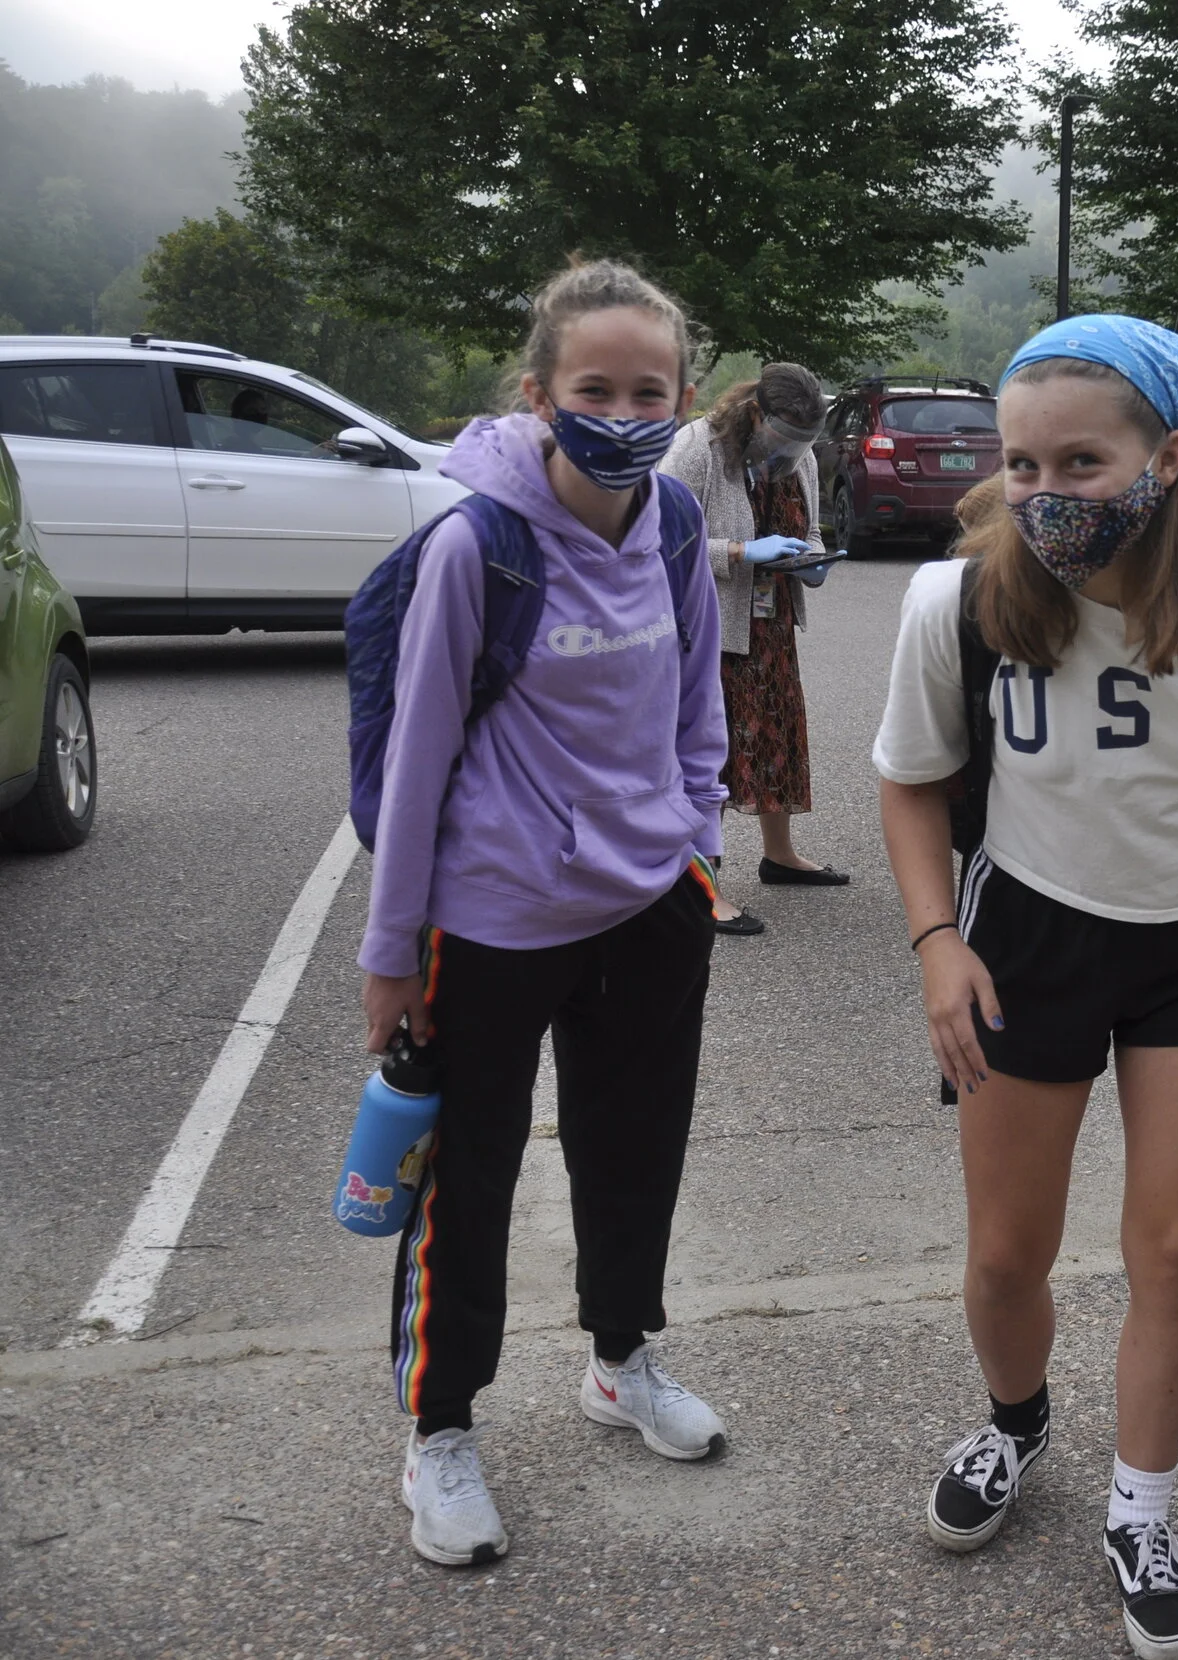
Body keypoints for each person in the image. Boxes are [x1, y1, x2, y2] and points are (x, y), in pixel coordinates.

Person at [873, 314, 1178, 1660]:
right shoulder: (962, 599)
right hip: (1023, 942)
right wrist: (938, 944)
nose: (1042, 495)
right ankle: (1015, 1419)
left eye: (1079, 465)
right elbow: (911, 784)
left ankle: (1142, 1507)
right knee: (1005, 1255)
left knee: (1173, 1247)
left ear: (1168, 454)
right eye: (1022, 466)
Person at [357, 258, 732, 1569]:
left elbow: (698, 705)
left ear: (683, 399)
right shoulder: (481, 547)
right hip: (495, 917)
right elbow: (414, 764)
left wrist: (697, 841)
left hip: (648, 911)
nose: (621, 411)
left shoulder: (675, 525)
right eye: (594, 388)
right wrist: (389, 951)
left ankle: (624, 1360)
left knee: (635, 1152)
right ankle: (440, 1430)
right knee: (468, 1182)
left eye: (648, 390)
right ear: (540, 395)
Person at [659, 362, 842, 937]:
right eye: (785, 438)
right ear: (756, 413)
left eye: (804, 442)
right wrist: (739, 552)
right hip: (712, 625)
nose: (793, 452)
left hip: (770, 624)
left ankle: (779, 856)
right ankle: (702, 886)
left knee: (777, 732)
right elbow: (658, 540)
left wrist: (812, 560)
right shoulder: (698, 448)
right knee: (711, 746)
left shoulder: (802, 455)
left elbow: (809, 527)